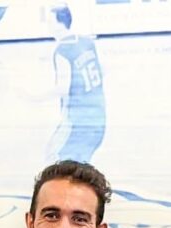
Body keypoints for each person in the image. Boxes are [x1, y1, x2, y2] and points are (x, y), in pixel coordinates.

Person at [46, 3, 106, 163]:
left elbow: (63, 89)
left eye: (49, 21)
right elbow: (102, 72)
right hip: (99, 119)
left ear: (58, 24)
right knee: (81, 166)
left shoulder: (62, 50)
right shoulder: (86, 42)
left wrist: (32, 97)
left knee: (54, 159)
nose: (48, 25)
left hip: (78, 123)